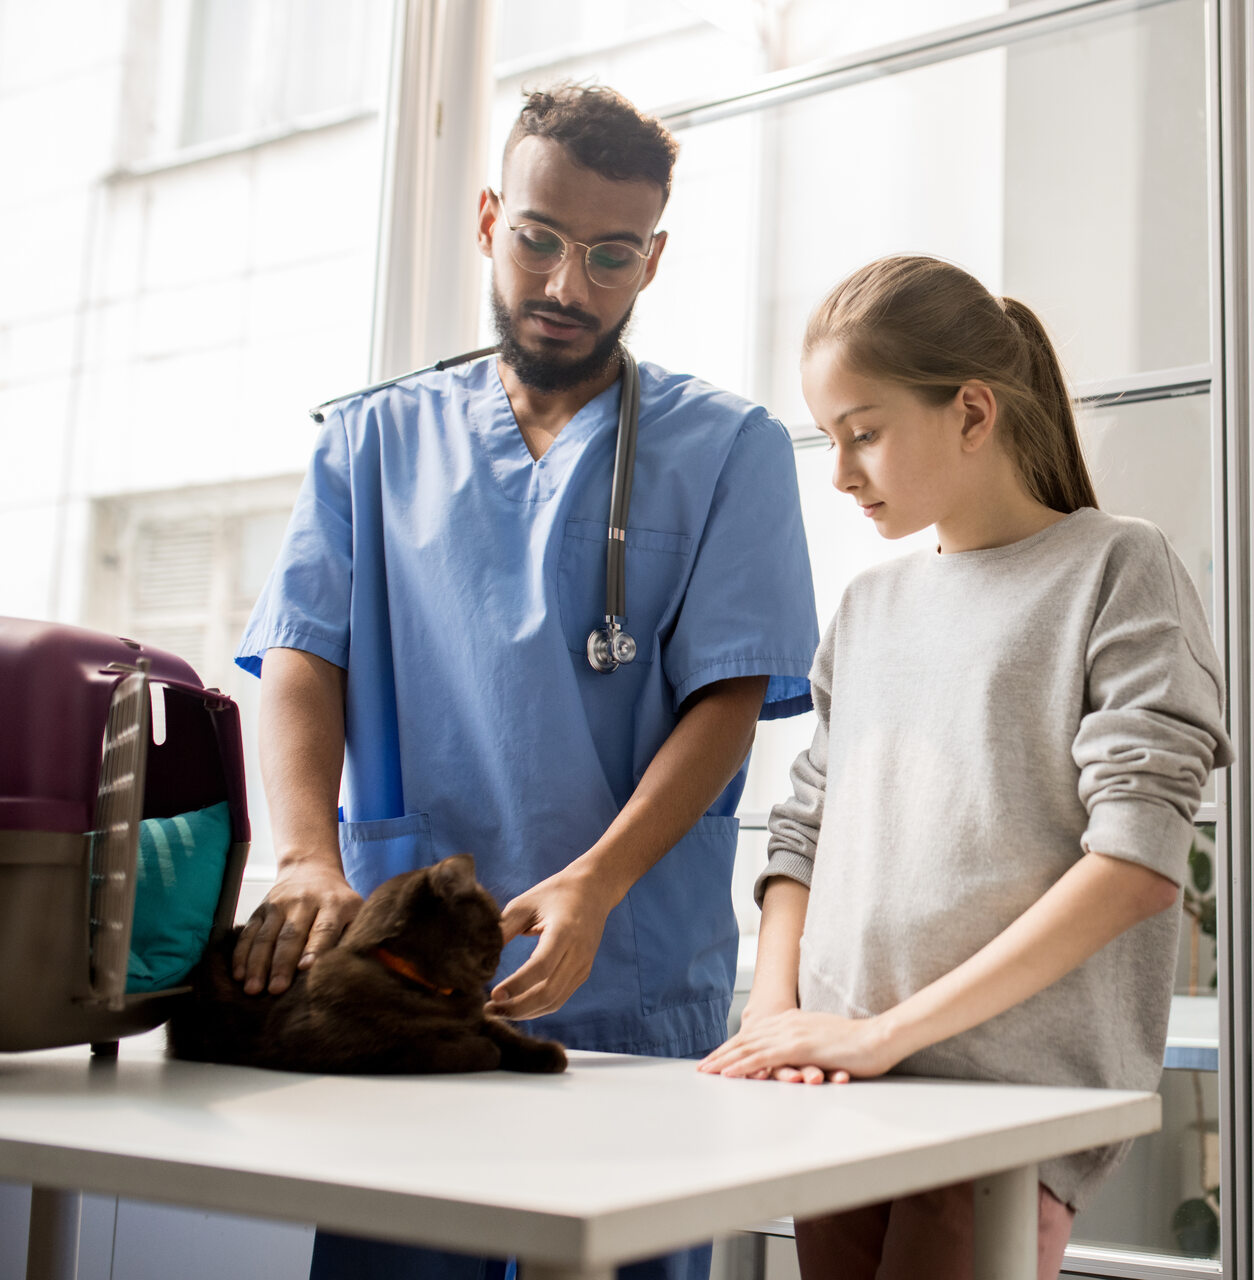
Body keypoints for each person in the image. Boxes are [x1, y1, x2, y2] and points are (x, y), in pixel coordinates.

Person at [233, 84, 819, 1280]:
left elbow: (732, 696)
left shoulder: (730, 448)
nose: (566, 287)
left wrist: (598, 882)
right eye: (539, 241)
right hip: (397, 983)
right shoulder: (372, 440)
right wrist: (304, 854)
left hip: (631, 975)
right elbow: (303, 651)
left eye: (610, 257)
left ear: (653, 259)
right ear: (492, 217)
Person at [696, 255, 1233, 1279]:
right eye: (830, 439)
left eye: (865, 432)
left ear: (973, 413)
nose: (843, 472)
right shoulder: (870, 606)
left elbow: (1136, 864)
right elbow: (799, 832)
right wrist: (775, 1013)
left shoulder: (1120, 566)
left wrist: (886, 1032)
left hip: (1001, 1100)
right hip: (839, 1082)